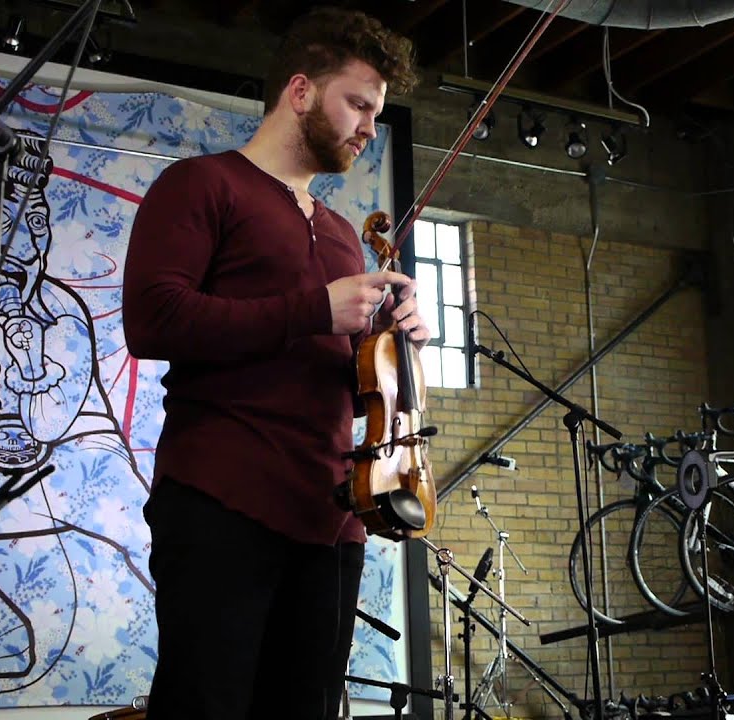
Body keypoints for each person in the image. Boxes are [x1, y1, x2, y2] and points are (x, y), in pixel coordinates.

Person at [121, 8, 427, 720]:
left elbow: (347, 393)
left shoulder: (347, 238)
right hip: (222, 504)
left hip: (331, 519)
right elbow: (154, 319)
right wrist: (314, 310)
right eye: (358, 103)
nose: (368, 128)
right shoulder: (200, 186)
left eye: (377, 114)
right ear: (299, 91)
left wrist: (393, 346)